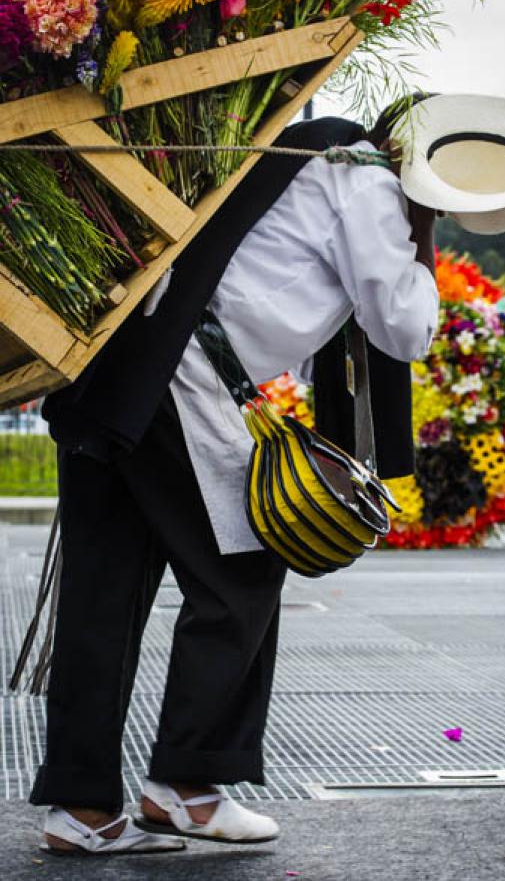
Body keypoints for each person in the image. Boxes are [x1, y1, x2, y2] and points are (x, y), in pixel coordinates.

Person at [29, 105, 440, 854]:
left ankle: (80, 810)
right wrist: (425, 230)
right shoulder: (371, 187)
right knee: (243, 575)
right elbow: (403, 326)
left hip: (122, 357)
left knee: (105, 592)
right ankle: (187, 787)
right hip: (180, 373)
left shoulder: (314, 158)